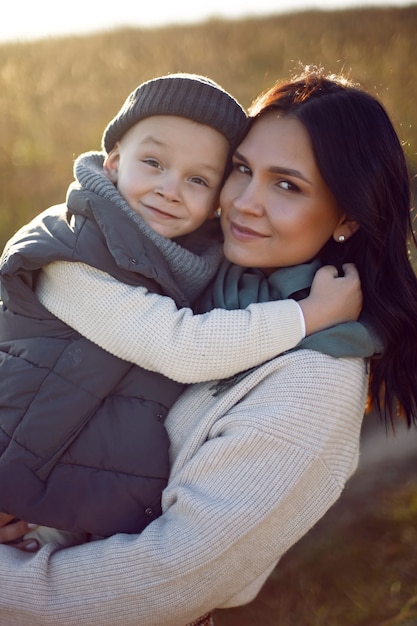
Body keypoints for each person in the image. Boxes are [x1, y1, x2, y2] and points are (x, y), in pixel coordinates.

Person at [2, 65, 416, 626]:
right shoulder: (194, 280)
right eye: (241, 170)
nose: (244, 201)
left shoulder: (312, 379)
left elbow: (168, 579)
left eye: (287, 185)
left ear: (346, 216)